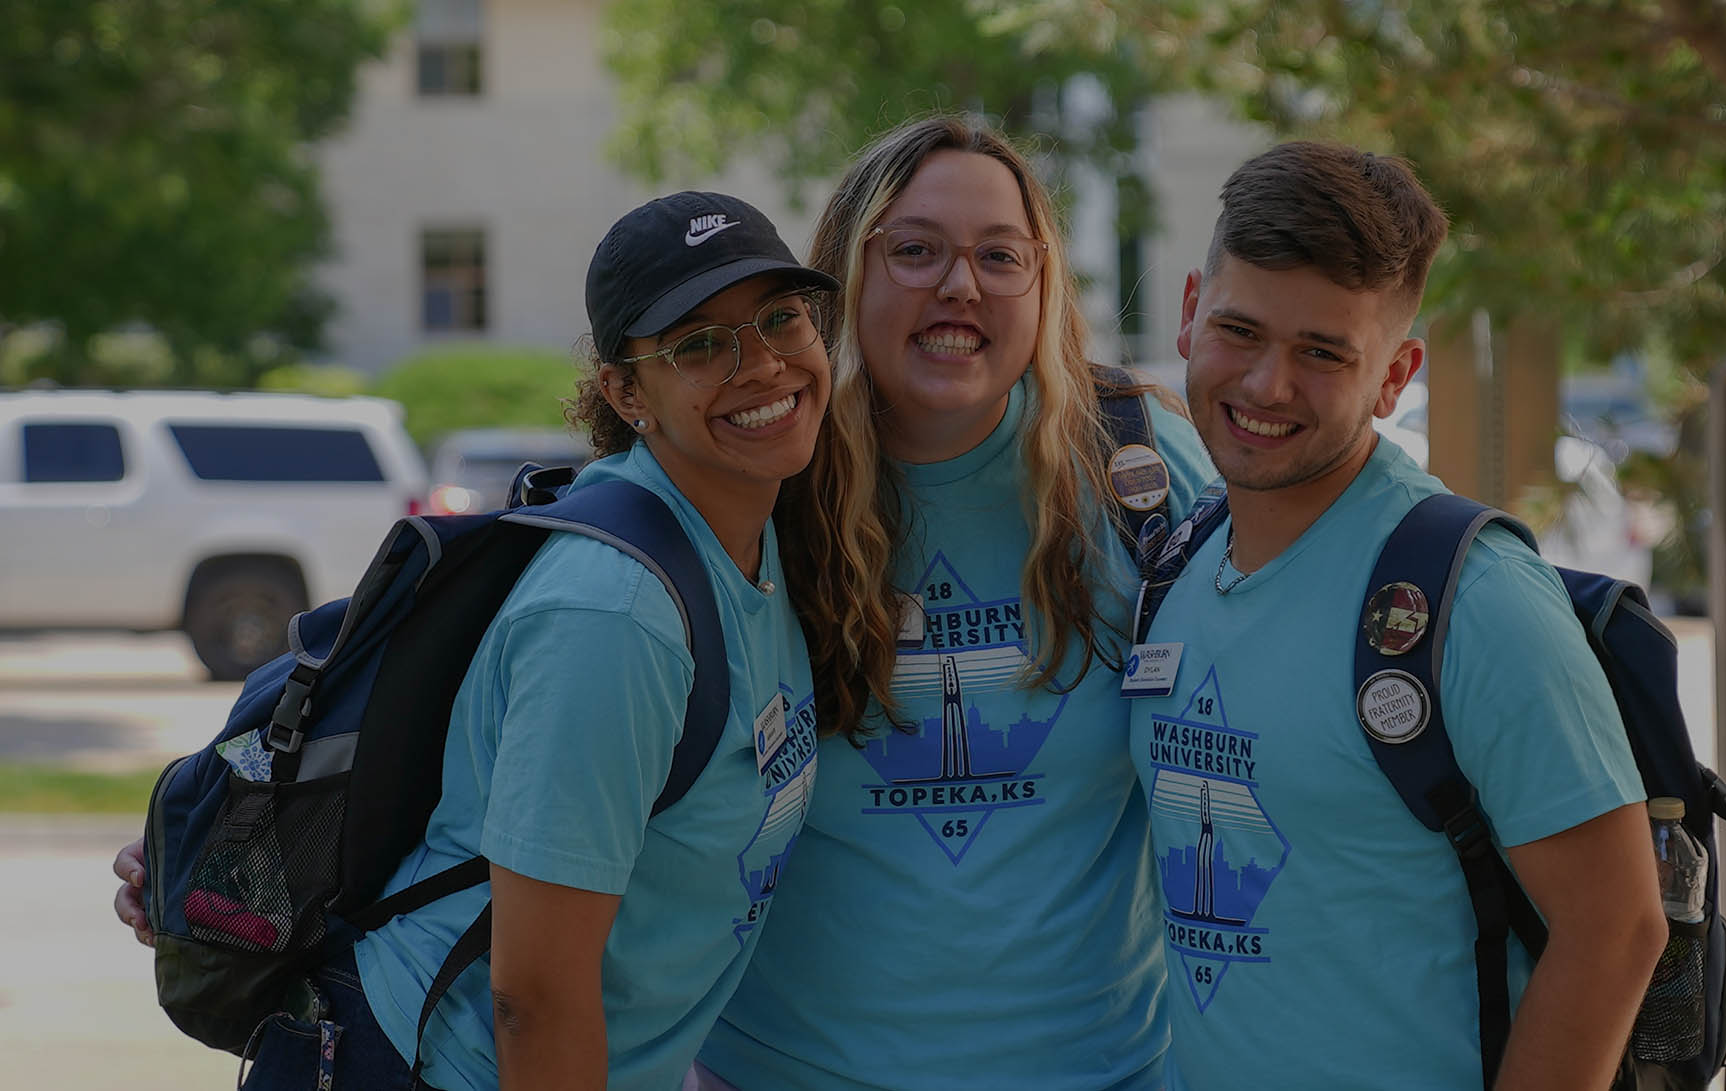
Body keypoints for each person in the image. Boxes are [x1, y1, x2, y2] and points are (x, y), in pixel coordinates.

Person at [119, 192, 838, 1091]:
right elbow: (532, 996)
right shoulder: (617, 617)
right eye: (699, 344)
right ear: (625, 390)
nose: (764, 364)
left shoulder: (750, 533)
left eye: (782, 318)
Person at [1126, 141, 1668, 1089]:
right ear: (1186, 313)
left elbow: (1617, 929)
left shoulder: (1476, 601)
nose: (1266, 386)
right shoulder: (1179, 563)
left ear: (1394, 374)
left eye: (1323, 352)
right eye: (1240, 331)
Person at [698, 117, 1217, 1089]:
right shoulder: (767, 479)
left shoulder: (1140, 466)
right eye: (916, 250)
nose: (960, 283)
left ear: (1043, 279)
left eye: (998, 254)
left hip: (1103, 1072)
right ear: (847, 273)